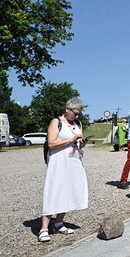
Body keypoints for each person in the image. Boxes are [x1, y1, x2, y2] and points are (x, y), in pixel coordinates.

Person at [38, 97, 89, 243]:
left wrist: (82, 143)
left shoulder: (77, 123)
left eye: (79, 114)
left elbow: (78, 143)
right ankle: (44, 228)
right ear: (67, 109)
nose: (77, 116)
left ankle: (59, 223)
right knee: (54, 190)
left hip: (73, 161)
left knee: (68, 190)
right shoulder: (56, 122)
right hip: (58, 162)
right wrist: (71, 140)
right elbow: (52, 143)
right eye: (75, 113)